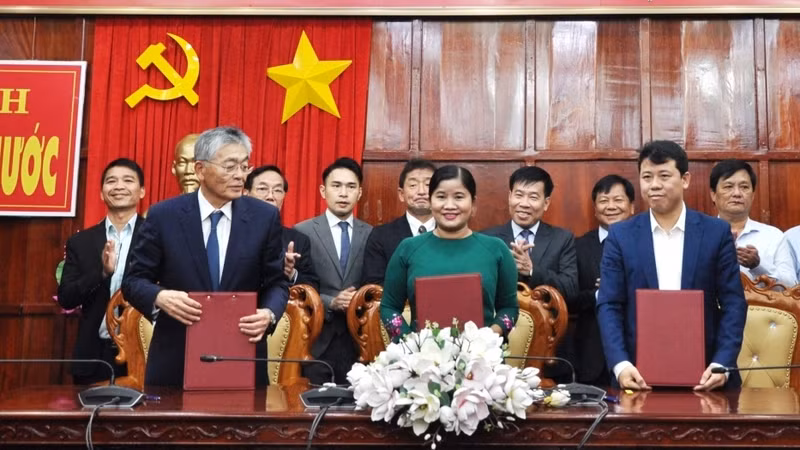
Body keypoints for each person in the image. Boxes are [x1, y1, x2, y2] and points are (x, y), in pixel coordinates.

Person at [122, 126, 287, 387]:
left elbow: (277, 282)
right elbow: (133, 280)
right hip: (176, 358)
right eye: (230, 166)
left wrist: (269, 313)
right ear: (200, 170)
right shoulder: (163, 216)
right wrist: (159, 297)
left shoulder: (263, 218)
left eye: (244, 166)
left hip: (242, 355)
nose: (239, 176)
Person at [597, 140, 747, 391]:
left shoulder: (715, 232)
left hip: (706, 374)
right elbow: (609, 304)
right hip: (637, 374)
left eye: (664, 175)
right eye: (646, 176)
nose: (654, 185)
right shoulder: (621, 235)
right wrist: (621, 365)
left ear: (685, 179)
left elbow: (734, 303)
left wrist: (722, 363)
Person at [380, 165, 519, 339]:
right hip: (422, 360)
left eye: (459, 197)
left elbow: (510, 309)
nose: (449, 205)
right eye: (441, 197)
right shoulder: (407, 248)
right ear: (431, 202)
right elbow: (389, 307)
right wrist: (410, 343)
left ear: (473, 204)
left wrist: (489, 337)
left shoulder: (496, 249)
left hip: (482, 358)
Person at [58, 158, 146, 385]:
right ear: (101, 193)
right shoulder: (81, 241)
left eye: (128, 180)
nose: (118, 186)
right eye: (111, 181)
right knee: (90, 419)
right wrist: (102, 273)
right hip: (94, 355)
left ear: (142, 192)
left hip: (144, 354)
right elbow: (66, 298)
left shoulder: (156, 237)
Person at [294, 157, 372, 385]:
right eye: (336, 186)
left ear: (359, 193)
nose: (343, 193)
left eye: (351, 187)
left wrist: (355, 300)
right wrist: (330, 301)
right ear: (323, 190)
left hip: (359, 340)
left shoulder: (371, 234)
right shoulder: (303, 231)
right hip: (316, 338)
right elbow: (297, 286)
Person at [570, 175, 635, 386]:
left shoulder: (646, 244)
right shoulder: (578, 246)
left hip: (638, 352)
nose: (611, 206)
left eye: (618, 200)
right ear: (595, 209)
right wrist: (600, 293)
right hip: (592, 355)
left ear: (632, 206)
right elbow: (569, 299)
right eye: (604, 201)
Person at [482, 166, 578, 301]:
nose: (524, 204)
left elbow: (571, 290)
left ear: (546, 203)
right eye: (519, 195)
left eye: (533, 197)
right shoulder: (487, 238)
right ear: (510, 197)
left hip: (545, 319)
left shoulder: (562, 239)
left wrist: (531, 270)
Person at [709, 159, 794, 285]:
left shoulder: (773, 236)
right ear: (713, 194)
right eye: (728, 187)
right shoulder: (700, 234)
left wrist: (758, 266)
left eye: (744, 187)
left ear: (753, 195)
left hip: (759, 305)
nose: (737, 193)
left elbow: (791, 287)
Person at [362, 159, 436, 285]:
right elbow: (373, 286)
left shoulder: (453, 233)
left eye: (428, 185)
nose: (422, 191)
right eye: (413, 185)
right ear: (401, 194)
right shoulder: (381, 236)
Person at [245, 165, 318, 289]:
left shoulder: (298, 240)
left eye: (278, 190)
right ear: (246, 193)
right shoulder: (232, 233)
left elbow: (313, 287)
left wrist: (291, 273)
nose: (270, 196)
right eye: (262, 189)